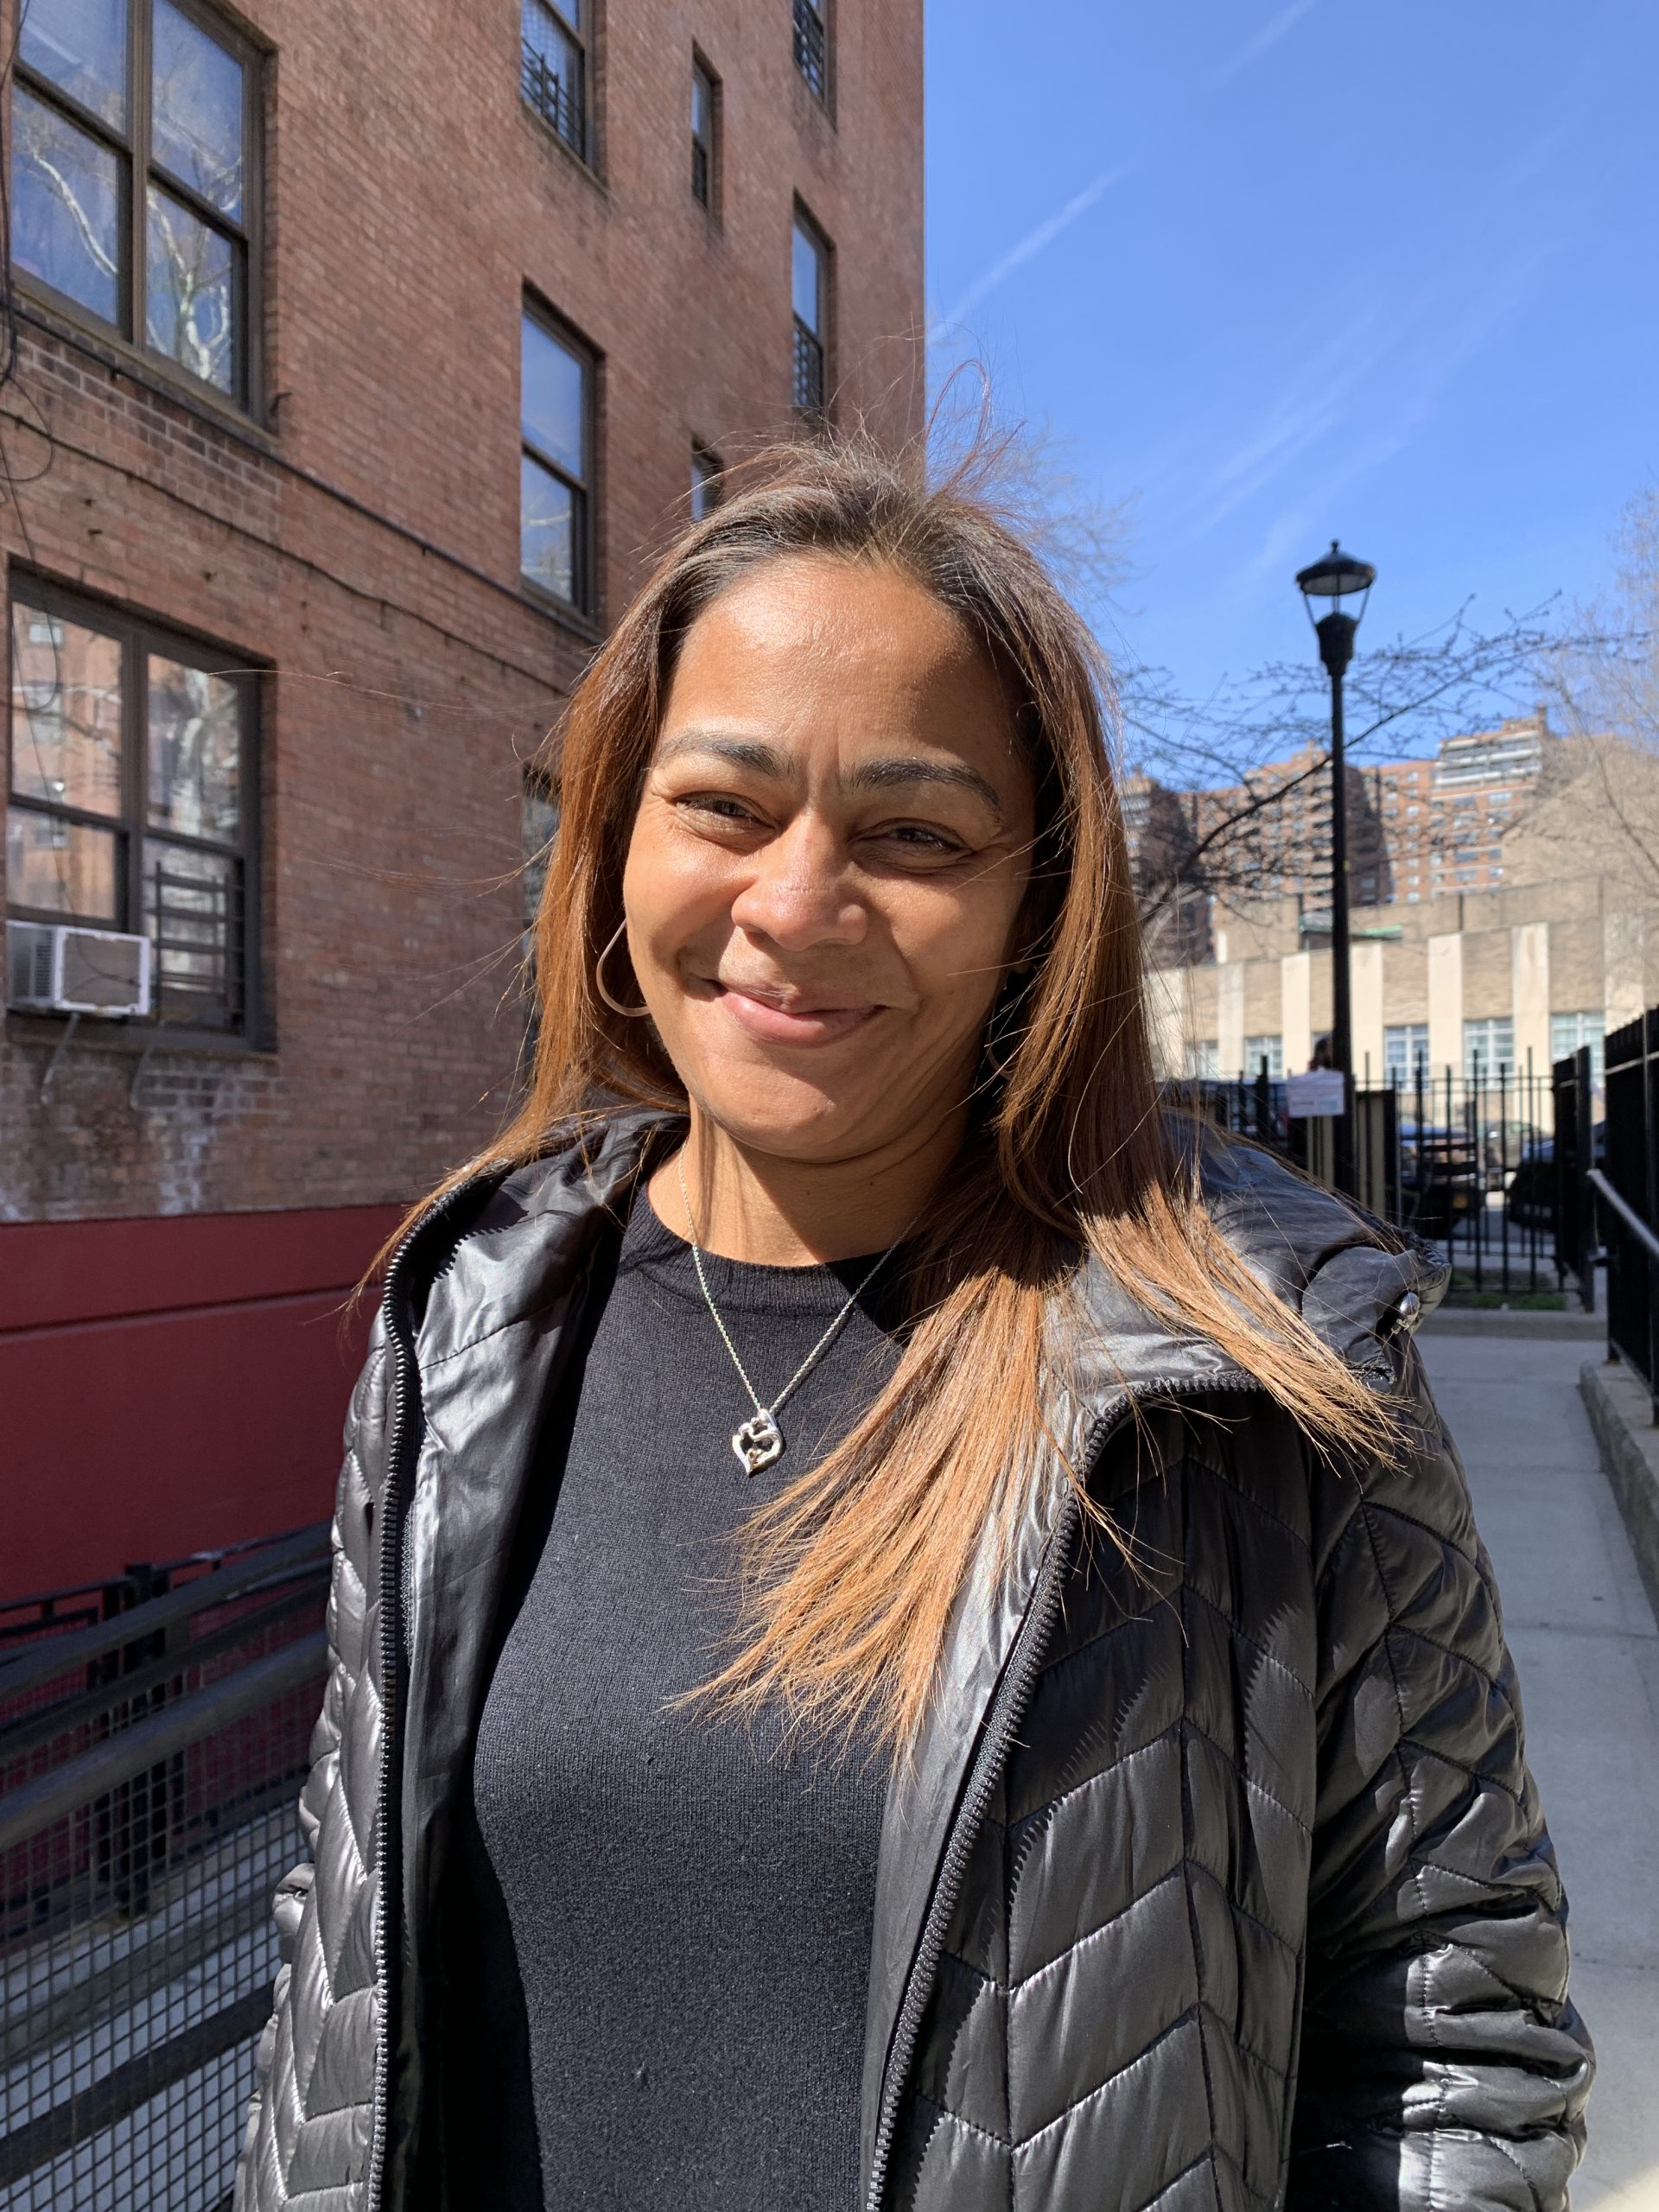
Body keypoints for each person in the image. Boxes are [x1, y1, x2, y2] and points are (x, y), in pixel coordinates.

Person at [236, 445, 1592, 2212]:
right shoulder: (464, 1315)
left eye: (913, 833)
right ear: (614, 839)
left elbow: (1454, 2032)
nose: (797, 903)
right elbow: (335, 1938)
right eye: (723, 803)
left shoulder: (1265, 1357)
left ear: (1038, 905)